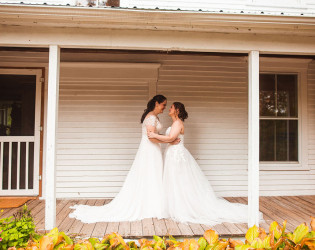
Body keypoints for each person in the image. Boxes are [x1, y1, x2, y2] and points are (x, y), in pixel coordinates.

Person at [148, 102, 263, 225]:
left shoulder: (177, 123)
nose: (169, 109)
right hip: (172, 154)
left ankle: (183, 207)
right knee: (173, 180)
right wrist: (166, 140)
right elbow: (170, 139)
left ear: (177, 110)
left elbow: (171, 138)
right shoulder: (174, 123)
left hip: (177, 156)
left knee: (179, 180)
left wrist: (155, 135)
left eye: (171, 107)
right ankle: (173, 206)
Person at [69, 95, 177, 223]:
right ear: (157, 103)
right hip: (150, 149)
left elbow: (155, 135)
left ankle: (152, 202)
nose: (165, 107)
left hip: (154, 149)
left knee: (153, 174)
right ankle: (149, 205)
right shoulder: (151, 117)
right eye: (164, 104)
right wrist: (170, 141)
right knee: (150, 173)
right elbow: (151, 138)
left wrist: (165, 139)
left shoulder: (154, 117)